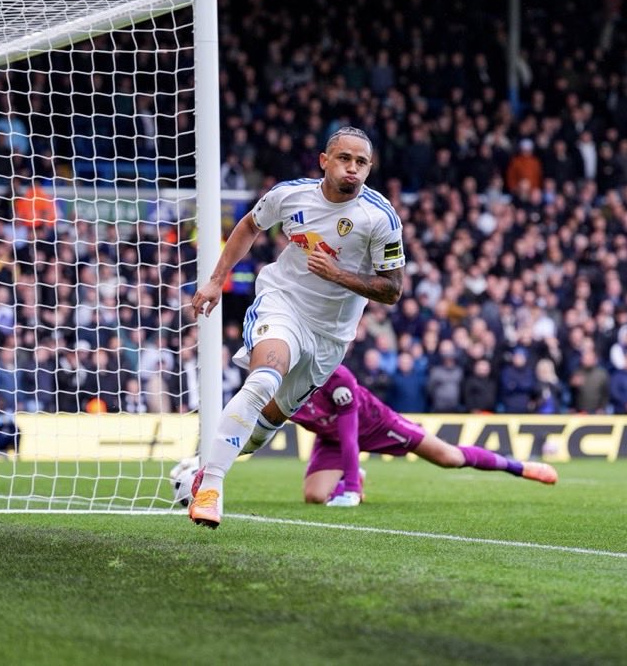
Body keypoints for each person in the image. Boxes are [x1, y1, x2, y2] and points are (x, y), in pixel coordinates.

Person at [189, 127, 405, 527]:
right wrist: (217, 279)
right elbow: (250, 226)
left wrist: (339, 275)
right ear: (324, 160)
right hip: (283, 302)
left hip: (330, 337)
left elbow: (392, 290)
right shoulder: (289, 195)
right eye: (344, 159)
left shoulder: (380, 218)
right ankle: (210, 487)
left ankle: (204, 465)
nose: (352, 169)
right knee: (263, 380)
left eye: (361, 162)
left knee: (260, 433)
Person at [273, 365, 558, 507]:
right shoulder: (276, 394)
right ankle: (355, 475)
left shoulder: (333, 376)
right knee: (314, 496)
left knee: (449, 458)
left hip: (376, 424)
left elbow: (351, 436)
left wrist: (350, 491)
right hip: (331, 437)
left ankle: (519, 467)